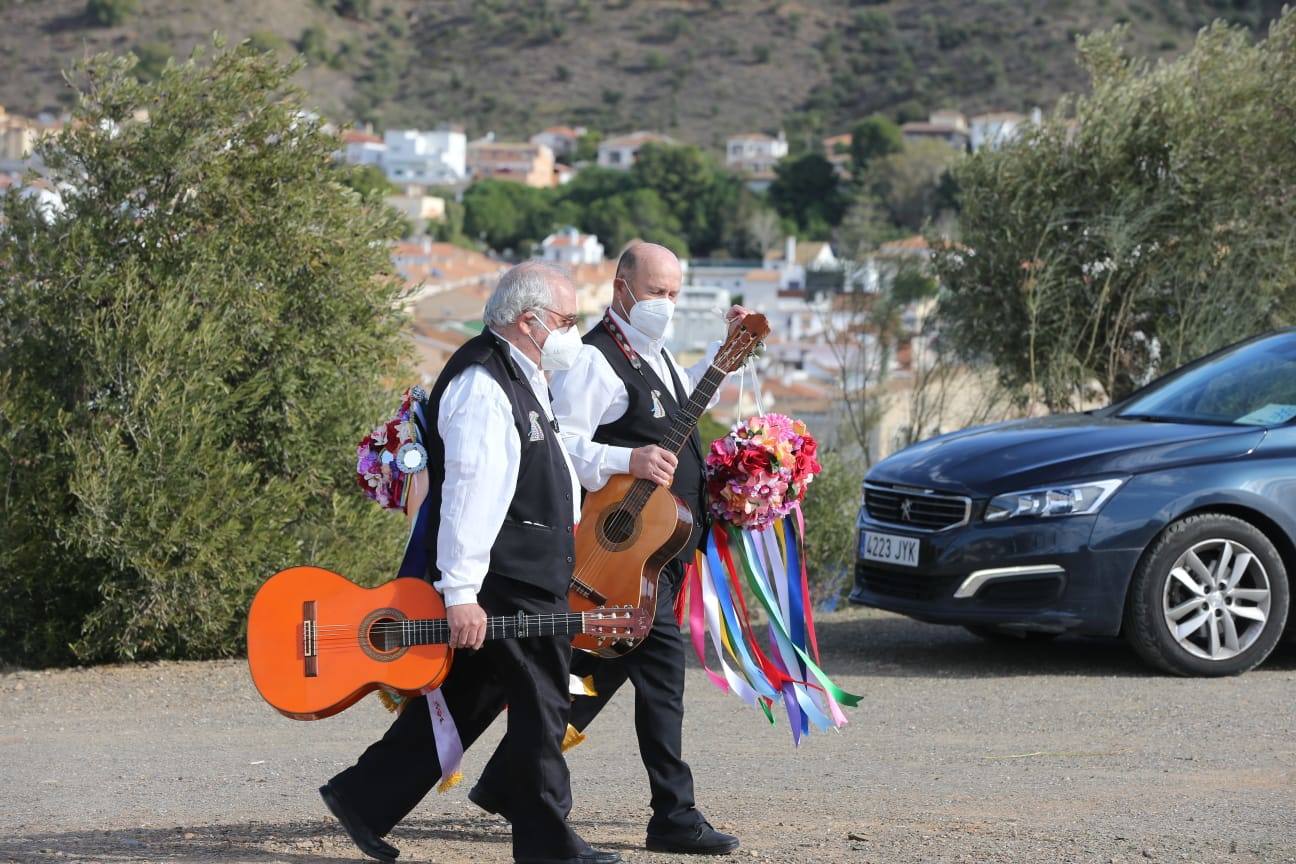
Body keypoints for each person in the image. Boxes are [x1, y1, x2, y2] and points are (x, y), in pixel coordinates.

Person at [319, 261, 619, 864]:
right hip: (507, 577)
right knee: (542, 703)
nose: (572, 332)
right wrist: (460, 593)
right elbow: (471, 496)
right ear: (528, 320)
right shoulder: (485, 385)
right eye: (566, 320)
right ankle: (547, 844)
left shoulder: (522, 375)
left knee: (468, 698)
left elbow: (552, 460)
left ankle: (363, 797)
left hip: (519, 573)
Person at [470, 243, 746, 856]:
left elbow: (669, 428)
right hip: (615, 561)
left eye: (674, 293)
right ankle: (673, 815)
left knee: (595, 672)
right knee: (661, 681)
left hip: (657, 556)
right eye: (655, 292)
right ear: (621, 289)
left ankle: (506, 783)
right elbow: (557, 443)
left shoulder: (660, 355)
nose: (666, 305)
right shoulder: (595, 361)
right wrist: (627, 458)